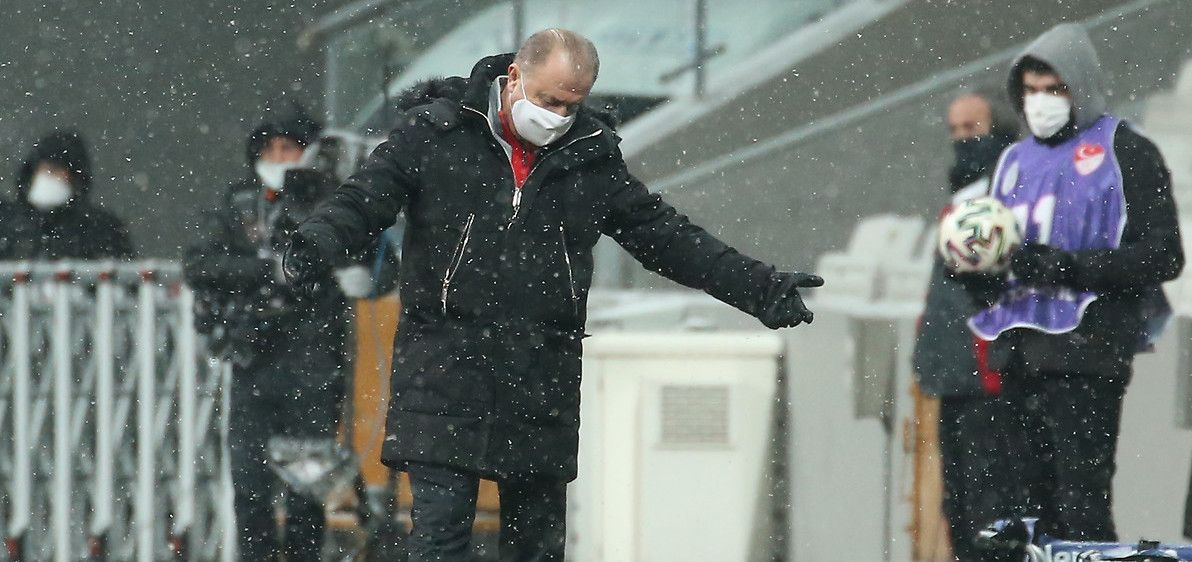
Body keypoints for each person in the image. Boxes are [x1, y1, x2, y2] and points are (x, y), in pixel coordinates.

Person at [282, 28, 823, 561]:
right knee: (438, 543)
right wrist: (314, 244)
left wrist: (761, 288)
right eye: (548, 99)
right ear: (514, 76)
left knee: (536, 549)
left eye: (572, 105)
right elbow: (366, 198)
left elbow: (667, 237)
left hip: (540, 378)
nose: (558, 116)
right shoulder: (435, 133)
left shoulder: (591, 158)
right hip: (443, 368)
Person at [963, 23, 1183, 541]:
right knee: (1020, 517)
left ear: (1079, 88)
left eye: (1054, 89)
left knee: (1080, 503)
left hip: (1088, 352)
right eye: (1031, 91)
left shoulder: (1125, 150)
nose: (1040, 103)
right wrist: (972, 270)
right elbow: (999, 256)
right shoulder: (1012, 161)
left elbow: (1163, 255)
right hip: (1016, 351)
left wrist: (1070, 267)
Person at [184, 103, 395, 561]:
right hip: (252, 361)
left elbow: (381, 268)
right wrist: (266, 270)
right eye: (270, 149)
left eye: (290, 148)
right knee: (250, 487)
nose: (279, 158)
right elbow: (200, 263)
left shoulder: (338, 203)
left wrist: (356, 272)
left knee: (307, 494)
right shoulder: (238, 204)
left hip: (314, 367)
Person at [913, 91, 1017, 561]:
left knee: (987, 504)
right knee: (960, 504)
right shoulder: (959, 200)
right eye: (954, 131)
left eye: (972, 130)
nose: (961, 141)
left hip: (988, 377)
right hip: (954, 375)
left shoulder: (1004, 195)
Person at [0, 129, 134, 260]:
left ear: (76, 181)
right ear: (32, 172)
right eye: (49, 170)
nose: (53, 179)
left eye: (63, 173)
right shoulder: (5, 222)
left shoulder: (101, 228)